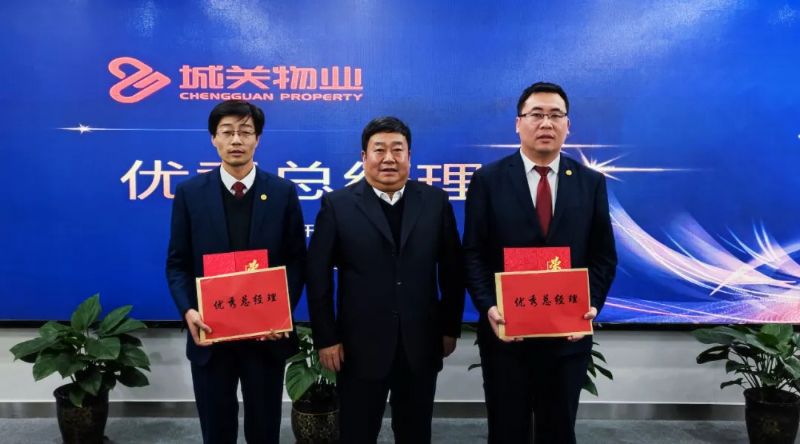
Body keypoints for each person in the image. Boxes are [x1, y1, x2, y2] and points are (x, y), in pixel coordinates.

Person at [463, 82, 617, 444]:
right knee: (507, 431)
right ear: (518, 123)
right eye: (536, 114)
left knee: (559, 430)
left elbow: (603, 255)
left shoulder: (590, 182)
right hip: (506, 334)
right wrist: (489, 306)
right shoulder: (488, 180)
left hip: (567, 335)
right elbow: (473, 253)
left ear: (568, 125)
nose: (546, 123)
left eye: (555, 115)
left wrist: (590, 304)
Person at [306, 116, 465, 443]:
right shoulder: (338, 205)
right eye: (379, 150)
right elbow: (318, 276)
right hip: (358, 347)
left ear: (409, 155)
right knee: (357, 433)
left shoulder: (435, 202)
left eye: (397, 149)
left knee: (415, 432)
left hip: (420, 343)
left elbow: (452, 270)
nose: (389, 158)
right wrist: (326, 338)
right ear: (364, 156)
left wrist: (449, 328)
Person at [166, 100, 306, 444]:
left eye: (245, 132)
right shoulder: (189, 193)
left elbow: (296, 260)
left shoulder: (282, 192)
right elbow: (177, 263)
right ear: (214, 139)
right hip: (211, 334)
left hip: (265, 338)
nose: (236, 140)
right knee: (216, 430)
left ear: (258, 139)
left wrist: (280, 313)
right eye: (227, 132)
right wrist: (189, 310)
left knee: (264, 428)